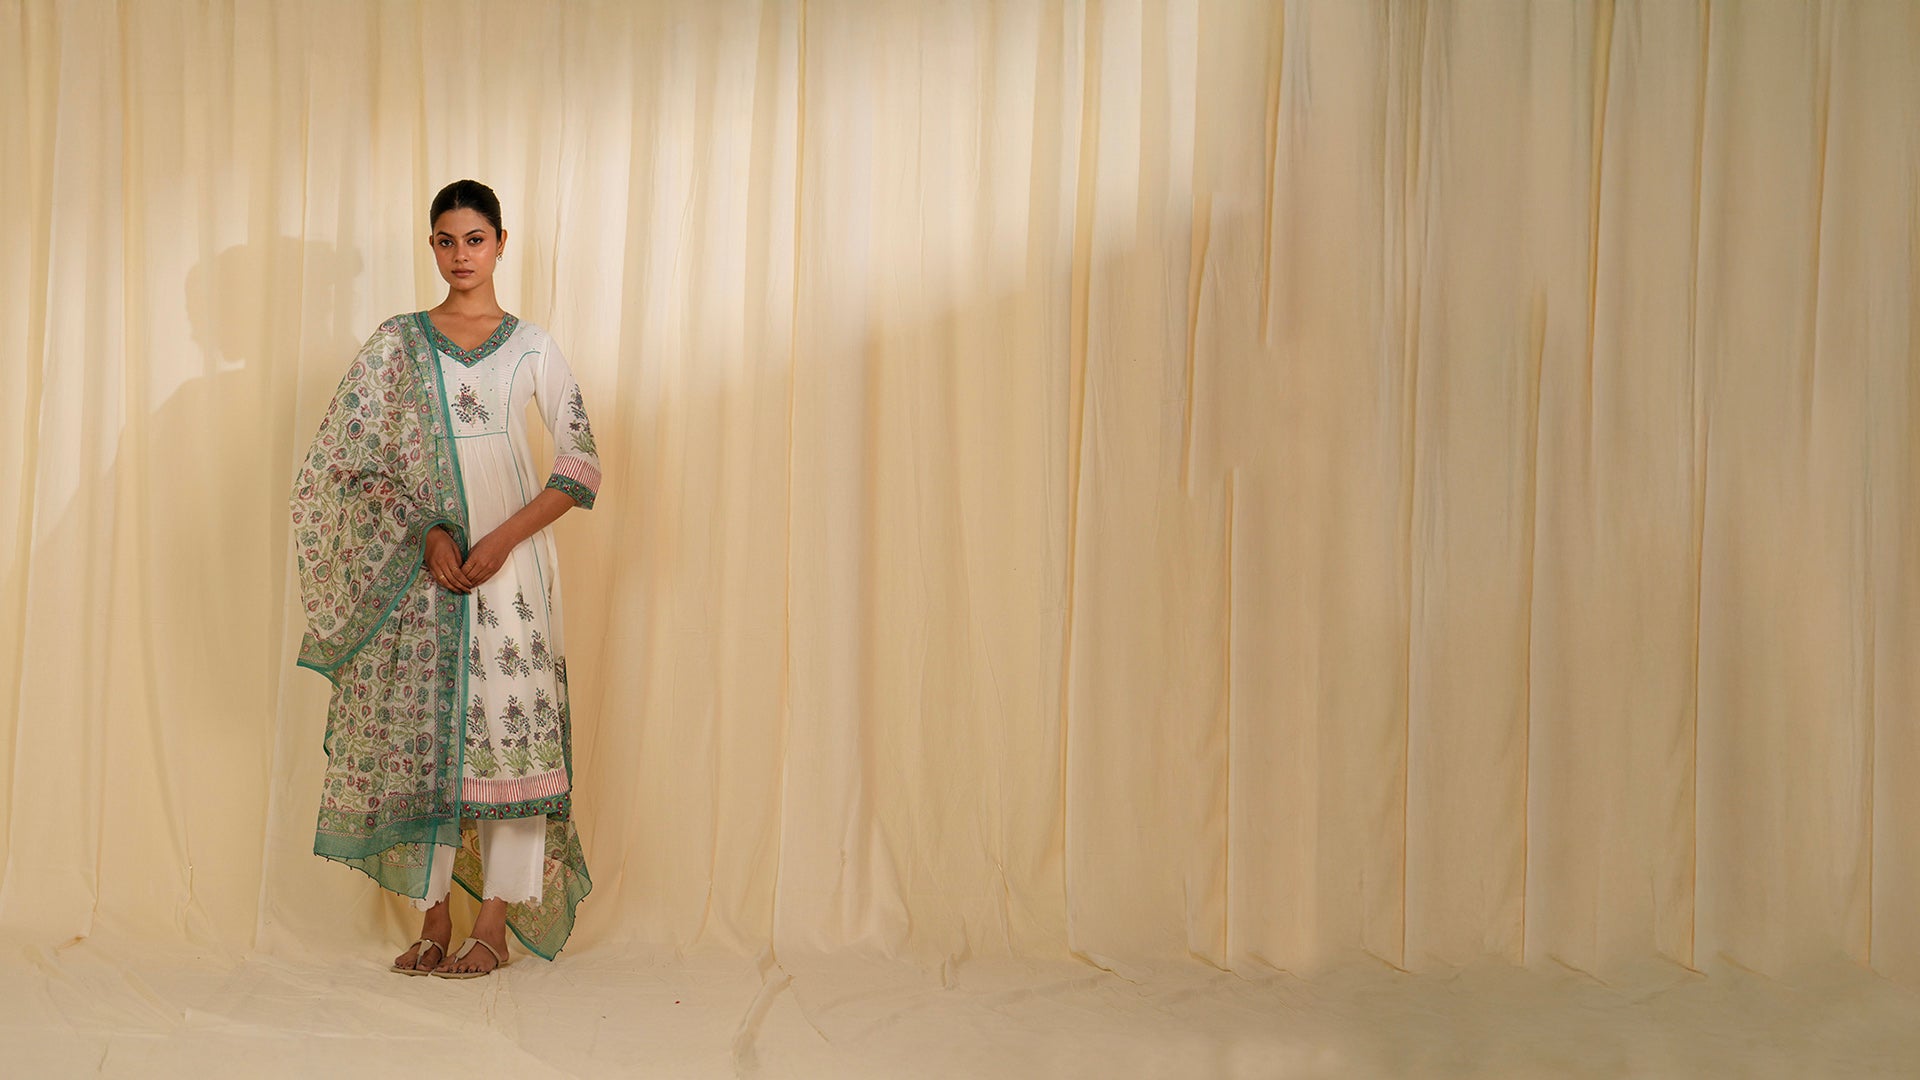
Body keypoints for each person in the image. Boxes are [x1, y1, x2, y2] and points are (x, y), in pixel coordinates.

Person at [289, 179, 598, 977]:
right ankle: (434, 917)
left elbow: (580, 463)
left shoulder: (532, 346)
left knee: (509, 733)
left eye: (475, 239)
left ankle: (493, 923)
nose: (461, 255)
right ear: (432, 246)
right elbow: (352, 464)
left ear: (501, 244)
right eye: (446, 240)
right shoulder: (398, 343)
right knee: (425, 734)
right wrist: (427, 533)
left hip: (512, 566)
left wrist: (503, 539)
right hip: (424, 568)